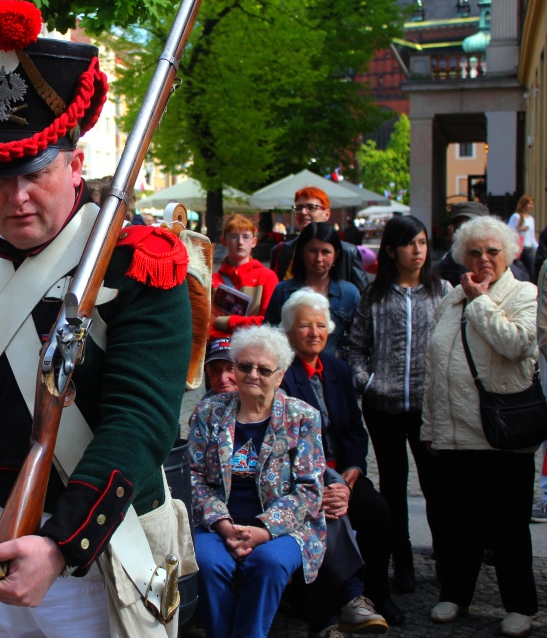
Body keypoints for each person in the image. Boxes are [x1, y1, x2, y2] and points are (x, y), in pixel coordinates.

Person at [0, 0, 192, 638]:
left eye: (36, 172)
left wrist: (62, 543)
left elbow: (140, 423)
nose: (16, 198)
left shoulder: (141, 265)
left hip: (90, 560)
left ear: (75, 164)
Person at [420, 215, 538, 637]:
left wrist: (482, 301)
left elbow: (517, 343)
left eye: (492, 251)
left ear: (508, 254)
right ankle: (455, 594)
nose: (483, 258)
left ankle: (520, 604)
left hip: (503, 434)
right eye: (474, 251)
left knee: (508, 528)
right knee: (459, 526)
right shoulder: (452, 298)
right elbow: (436, 368)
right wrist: (430, 428)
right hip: (455, 436)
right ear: (461, 256)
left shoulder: (524, 293)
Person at [188, 325, 325, 638]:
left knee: (268, 564)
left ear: (280, 375)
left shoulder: (302, 417)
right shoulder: (210, 411)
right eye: (244, 366)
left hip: (285, 528)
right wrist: (223, 524)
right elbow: (193, 476)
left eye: (264, 369)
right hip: (218, 523)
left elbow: (309, 490)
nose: (252, 374)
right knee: (208, 562)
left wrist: (264, 530)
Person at [278, 290, 398, 634]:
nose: (314, 332)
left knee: (376, 511)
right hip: (301, 475)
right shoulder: (282, 374)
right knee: (320, 513)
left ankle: (376, 594)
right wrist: (325, 481)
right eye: (304, 326)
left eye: (320, 325)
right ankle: (325, 609)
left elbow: (356, 431)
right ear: (289, 333)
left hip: (343, 471)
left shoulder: (337, 368)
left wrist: (355, 467)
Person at [343, 215, 450, 597]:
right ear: (391, 250)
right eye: (410, 244)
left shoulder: (443, 293)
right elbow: (355, 347)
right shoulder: (375, 296)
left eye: (422, 243)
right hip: (384, 407)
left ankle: (447, 561)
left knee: (437, 488)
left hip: (428, 408)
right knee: (393, 487)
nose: (418, 251)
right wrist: (369, 382)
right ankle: (401, 562)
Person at [265, 221, 360, 355]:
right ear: (302, 252)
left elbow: (359, 343)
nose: (318, 258)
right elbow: (269, 335)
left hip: (334, 371)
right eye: (312, 251)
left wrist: (340, 356)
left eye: (326, 252)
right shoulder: (283, 291)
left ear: (336, 255)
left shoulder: (350, 294)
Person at [269, 187, 367, 291]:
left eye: (311, 207)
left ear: (327, 214)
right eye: (298, 207)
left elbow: (364, 296)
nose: (303, 212)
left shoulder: (348, 252)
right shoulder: (281, 251)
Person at [210, 214, 278, 340]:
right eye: (234, 237)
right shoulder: (212, 280)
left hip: (255, 347)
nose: (240, 242)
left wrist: (226, 322)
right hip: (219, 350)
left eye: (246, 237)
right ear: (224, 241)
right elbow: (205, 323)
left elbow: (268, 321)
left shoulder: (267, 277)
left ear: (254, 242)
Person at [434, 201, 489, 286]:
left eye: (475, 228)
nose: (467, 234)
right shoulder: (435, 276)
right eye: (461, 228)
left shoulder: (503, 273)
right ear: (450, 232)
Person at [508, 194, 537, 278]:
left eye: (532, 204)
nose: (531, 206)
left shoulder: (531, 219)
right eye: (529, 204)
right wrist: (519, 230)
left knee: (533, 271)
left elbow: (532, 238)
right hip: (518, 249)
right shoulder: (516, 217)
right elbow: (508, 231)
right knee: (516, 271)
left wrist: (539, 249)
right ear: (523, 204)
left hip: (528, 249)